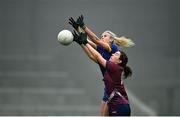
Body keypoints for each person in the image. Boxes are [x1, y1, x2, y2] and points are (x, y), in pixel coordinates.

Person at [69, 15, 134, 116]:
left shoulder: (113, 48)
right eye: (102, 35)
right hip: (109, 88)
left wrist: (83, 26)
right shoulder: (102, 50)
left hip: (114, 90)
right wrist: (77, 29)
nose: (102, 37)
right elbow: (90, 49)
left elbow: (95, 40)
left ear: (111, 39)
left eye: (105, 36)